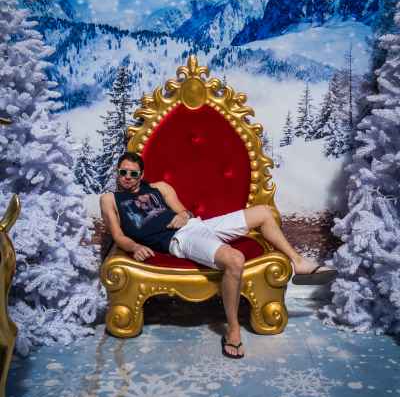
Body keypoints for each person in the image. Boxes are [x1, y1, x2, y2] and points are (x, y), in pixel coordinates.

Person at [100, 152, 336, 359]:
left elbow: (184, 212)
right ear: (117, 172)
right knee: (235, 259)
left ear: (141, 175)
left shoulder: (160, 188)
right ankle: (233, 330)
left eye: (133, 173)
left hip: (197, 226)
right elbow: (118, 235)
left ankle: (298, 263)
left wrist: (183, 216)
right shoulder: (110, 199)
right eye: (123, 172)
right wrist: (134, 247)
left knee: (264, 213)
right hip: (180, 240)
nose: (127, 177)